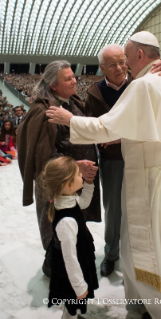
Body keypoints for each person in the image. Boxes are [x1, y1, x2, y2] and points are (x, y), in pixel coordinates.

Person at [46, 31, 161, 319]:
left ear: (138, 55)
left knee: (156, 243)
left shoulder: (144, 84)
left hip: (152, 177)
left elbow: (108, 127)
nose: (124, 66)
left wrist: (70, 119)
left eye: (126, 58)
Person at [85, 43, 161, 277]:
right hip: (113, 160)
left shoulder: (140, 82)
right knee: (114, 209)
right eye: (112, 64)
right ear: (101, 68)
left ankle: (142, 257)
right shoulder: (94, 93)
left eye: (122, 61)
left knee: (146, 207)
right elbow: (93, 126)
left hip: (143, 154)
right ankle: (111, 254)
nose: (119, 68)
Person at [17, 60, 101, 278]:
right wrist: (75, 166)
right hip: (59, 186)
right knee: (58, 228)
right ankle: (53, 268)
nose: (74, 80)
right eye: (68, 78)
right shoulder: (43, 110)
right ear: (53, 85)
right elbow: (42, 155)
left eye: (74, 76)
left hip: (77, 183)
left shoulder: (73, 102)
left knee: (72, 227)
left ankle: (64, 264)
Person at [38, 157, 98, 319]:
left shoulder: (68, 200)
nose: (82, 176)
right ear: (69, 185)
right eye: (79, 175)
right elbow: (70, 258)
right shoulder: (67, 222)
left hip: (78, 264)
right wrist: (79, 285)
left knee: (73, 304)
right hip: (72, 273)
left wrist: (89, 183)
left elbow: (83, 202)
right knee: (73, 301)